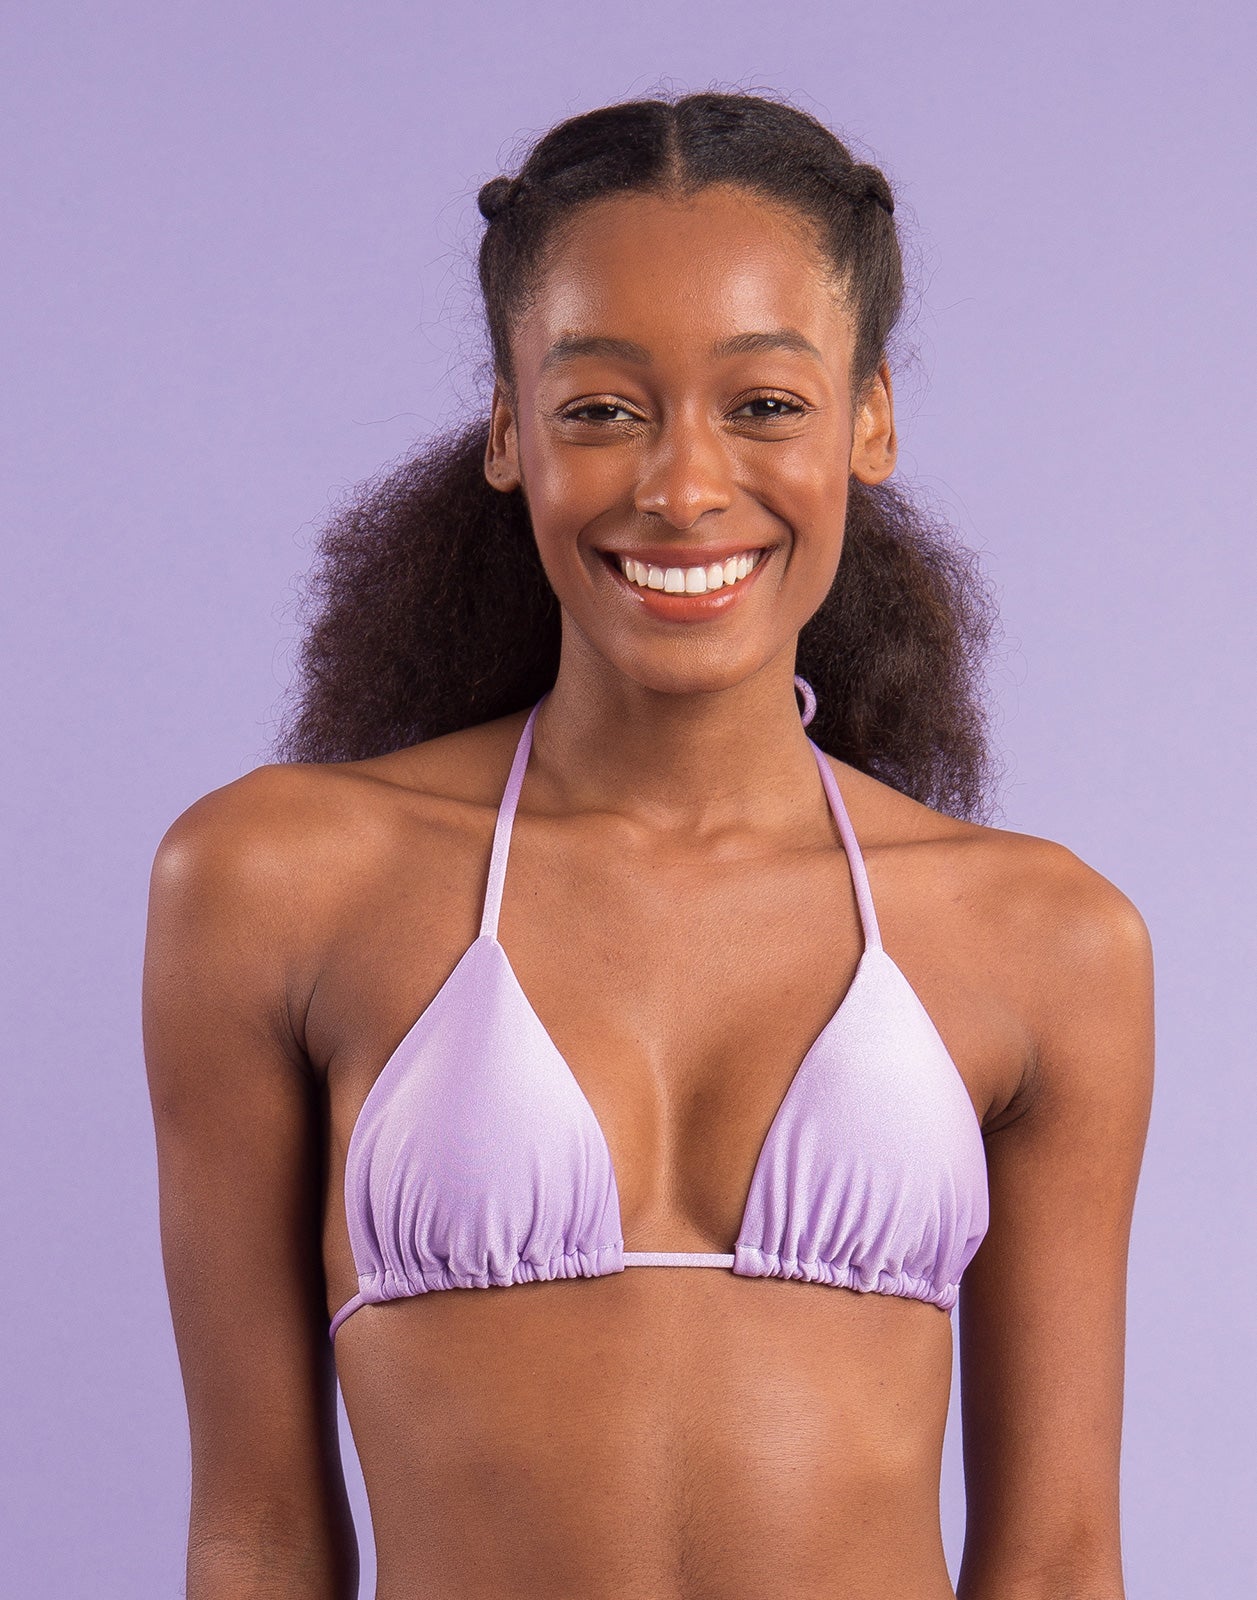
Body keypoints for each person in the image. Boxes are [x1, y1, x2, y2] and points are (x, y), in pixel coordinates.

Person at [142, 89, 1154, 1600]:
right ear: (509, 430)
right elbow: (259, 1533)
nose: (683, 489)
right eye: (602, 409)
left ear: (868, 419)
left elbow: (1059, 1561)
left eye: (766, 405)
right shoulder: (274, 884)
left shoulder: (1047, 941)